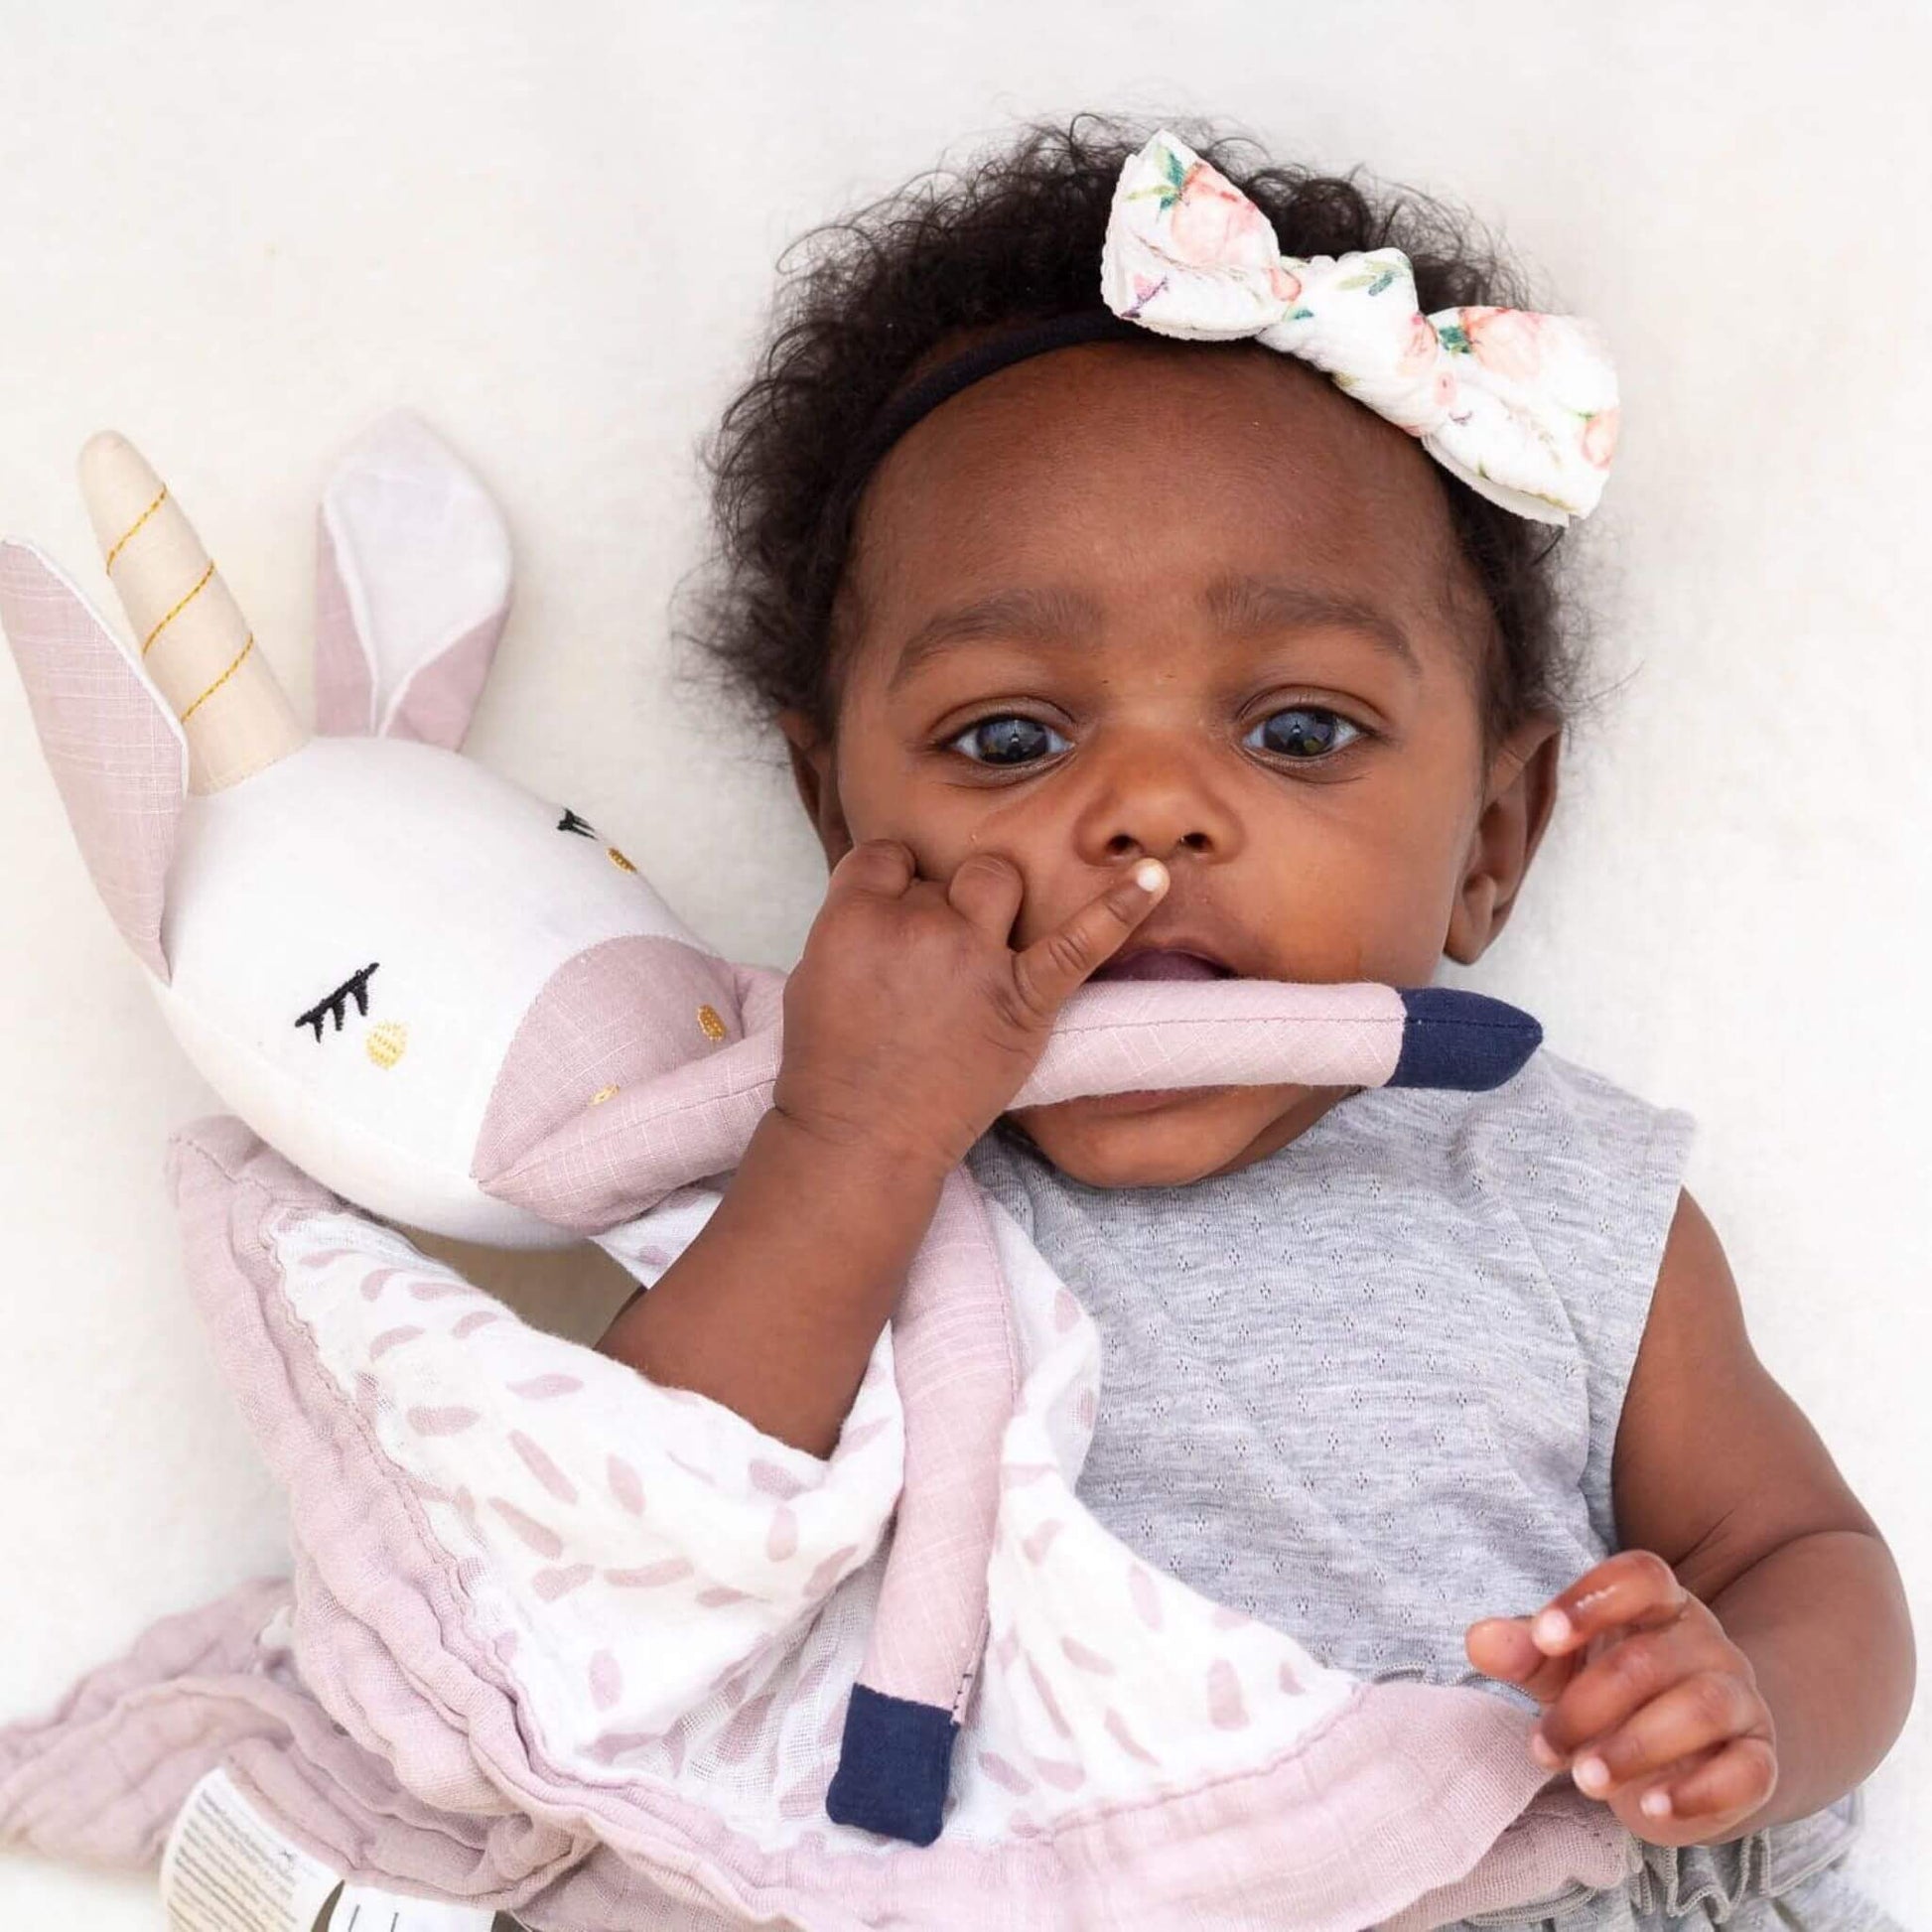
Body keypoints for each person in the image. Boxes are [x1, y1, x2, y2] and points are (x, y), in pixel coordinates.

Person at [594, 116, 1913, 1928]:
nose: (1146, 811)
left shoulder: (1553, 1185)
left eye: (1293, 730)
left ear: (1491, 840)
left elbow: (1806, 1555)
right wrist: (853, 1133)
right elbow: (623, 1546)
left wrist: (1739, 1694)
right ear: (841, 827)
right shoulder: (817, 1167)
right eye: (1009, 738)